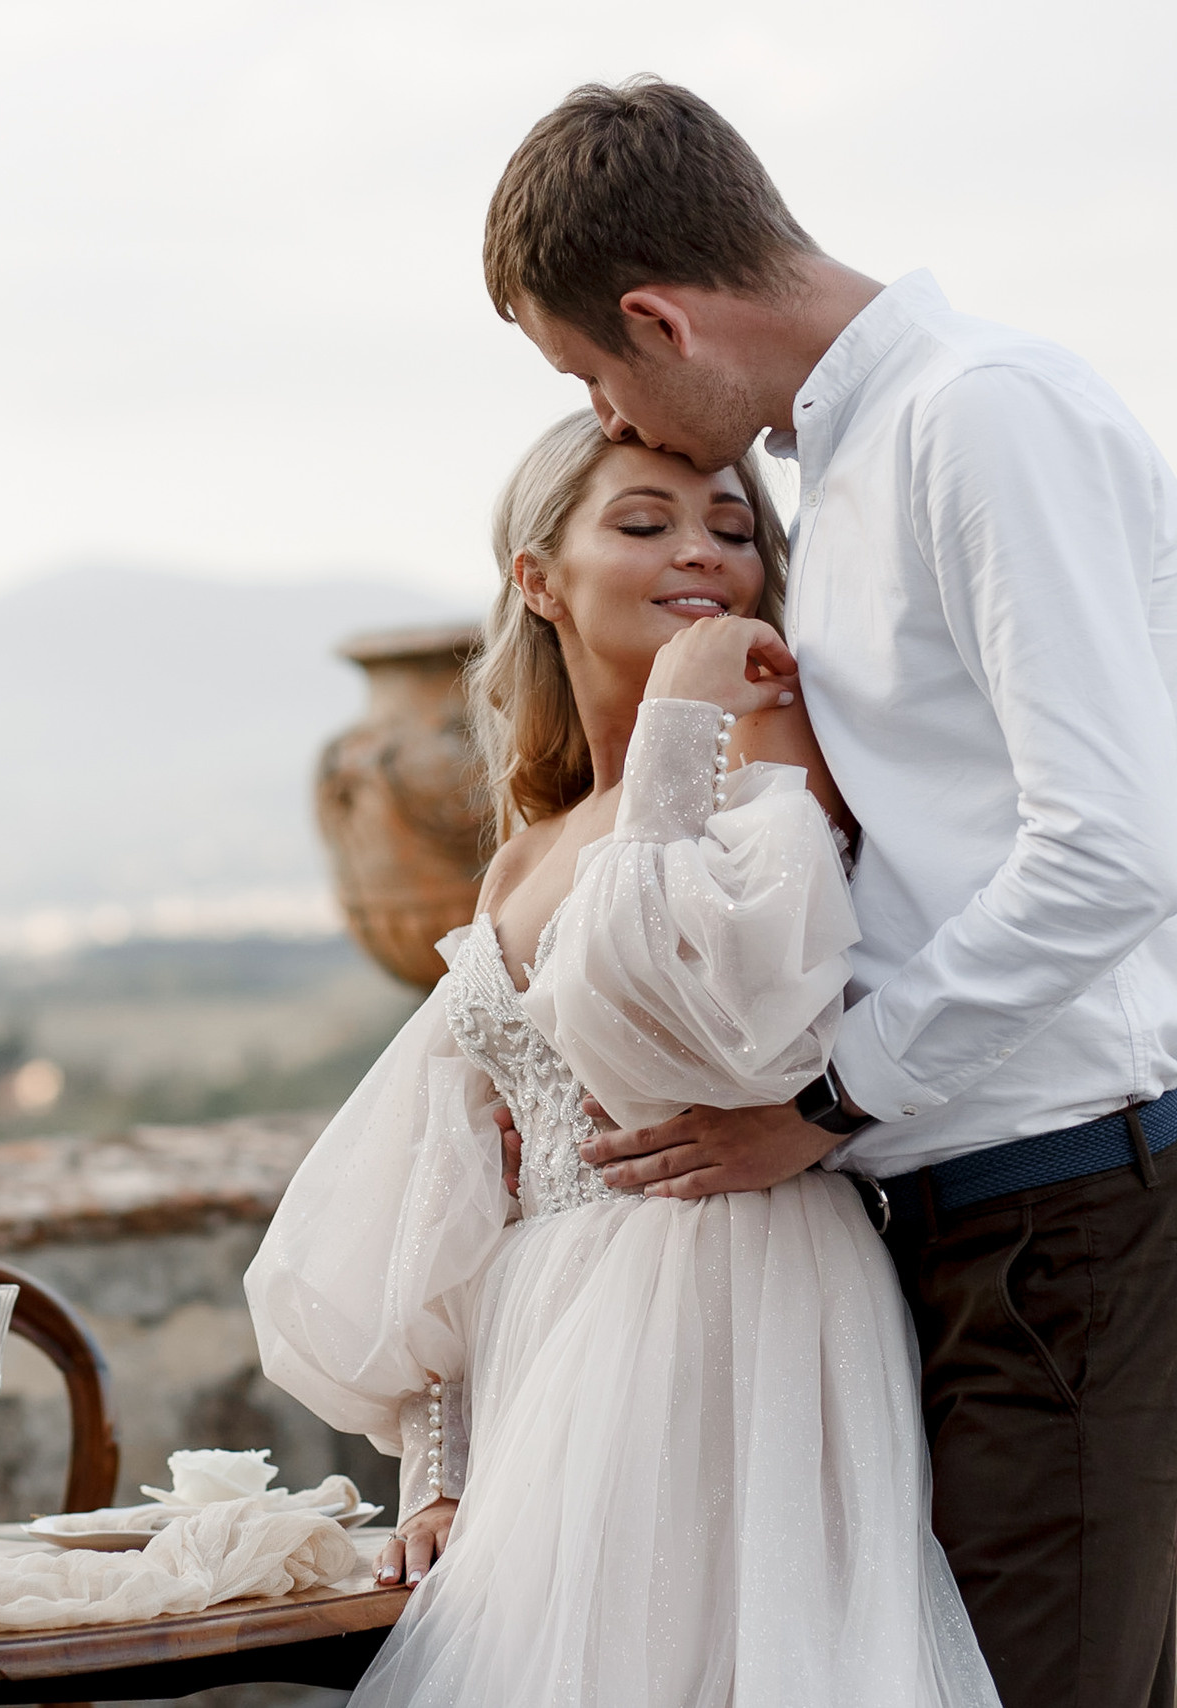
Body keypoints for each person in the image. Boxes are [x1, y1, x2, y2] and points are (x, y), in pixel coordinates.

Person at [482, 79, 1177, 1707]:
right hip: (940, 1225)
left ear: (656, 318)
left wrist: (825, 1105)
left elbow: (1112, 852)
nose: (616, 416)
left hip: (1060, 1221)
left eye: (593, 373)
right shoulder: (856, 462)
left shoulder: (986, 418)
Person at [246, 413, 999, 1708]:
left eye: (733, 526)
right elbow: (456, 1183)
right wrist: (439, 1469)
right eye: (645, 523)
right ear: (539, 578)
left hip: (734, 1296)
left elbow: (719, 1022)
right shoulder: (526, 850)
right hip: (548, 1344)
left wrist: (685, 722)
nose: (703, 554)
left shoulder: (772, 754)